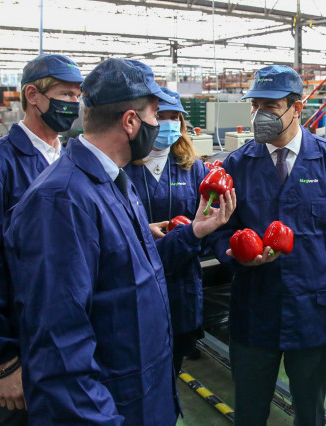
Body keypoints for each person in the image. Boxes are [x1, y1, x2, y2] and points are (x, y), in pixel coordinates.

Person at [4, 58, 235, 424]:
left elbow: (131, 271)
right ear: (130, 121)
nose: (160, 125)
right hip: (113, 405)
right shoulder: (61, 202)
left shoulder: (113, 184)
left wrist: (194, 232)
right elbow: (60, 349)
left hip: (144, 393)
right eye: (156, 114)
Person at [210, 65, 326, 425]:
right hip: (254, 309)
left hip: (311, 312)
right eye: (255, 105)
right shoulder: (238, 164)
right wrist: (235, 254)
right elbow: (220, 230)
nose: (259, 116)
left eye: (270, 107)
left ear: (297, 108)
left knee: (309, 411)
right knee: (250, 412)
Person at [0, 53, 84, 425]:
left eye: (77, 95)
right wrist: (4, 363)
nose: (73, 103)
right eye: (65, 93)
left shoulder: (70, 158)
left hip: (70, 338)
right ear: (33, 95)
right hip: (25, 348)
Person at [124, 87, 210, 374]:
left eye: (176, 118)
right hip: (135, 277)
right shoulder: (122, 166)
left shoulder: (192, 167)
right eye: (162, 116)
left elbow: (204, 224)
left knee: (172, 362)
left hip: (180, 281)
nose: (170, 124)